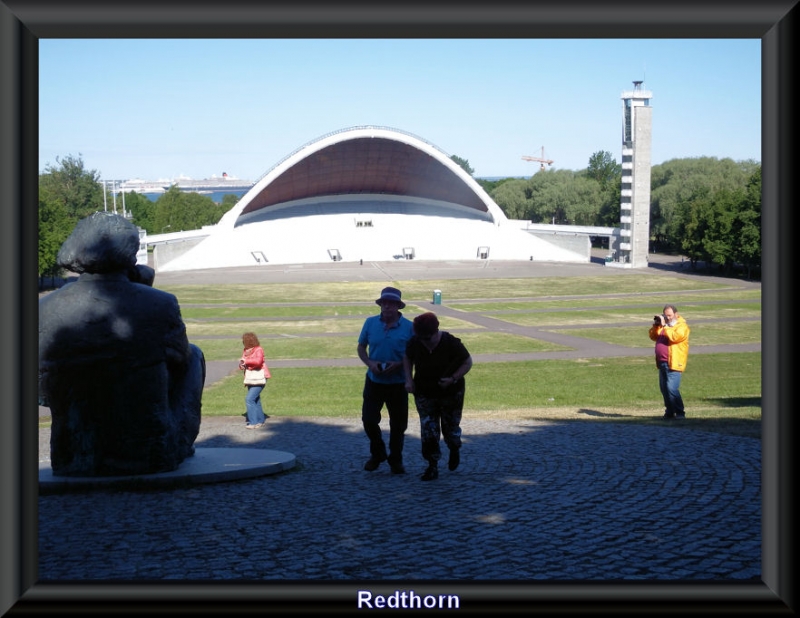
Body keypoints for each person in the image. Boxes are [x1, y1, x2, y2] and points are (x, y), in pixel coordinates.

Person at [403, 312, 473, 481]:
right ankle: (432, 465)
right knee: (428, 430)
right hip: (424, 392)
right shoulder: (415, 342)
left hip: (451, 393)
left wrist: (453, 378)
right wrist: (409, 379)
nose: (425, 342)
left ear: (436, 331)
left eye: (428, 338)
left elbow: (467, 362)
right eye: (421, 338)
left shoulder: (451, 342)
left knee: (450, 429)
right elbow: (407, 357)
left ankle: (454, 447)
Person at [357, 286, 414, 474]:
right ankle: (378, 452)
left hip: (398, 383)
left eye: (391, 303)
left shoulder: (409, 327)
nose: (387, 306)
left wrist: (398, 365)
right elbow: (361, 348)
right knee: (368, 420)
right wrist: (370, 363)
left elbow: (413, 355)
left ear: (398, 306)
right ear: (380, 304)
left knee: (398, 425)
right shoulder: (370, 323)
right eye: (384, 303)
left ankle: (395, 460)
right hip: (374, 380)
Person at [648, 304, 690, 419]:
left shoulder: (682, 326)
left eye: (670, 315)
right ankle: (670, 412)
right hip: (662, 362)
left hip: (674, 362)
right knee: (664, 389)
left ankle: (680, 412)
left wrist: (665, 325)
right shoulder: (664, 326)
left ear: (676, 315)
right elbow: (652, 336)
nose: (668, 318)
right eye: (665, 316)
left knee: (671, 388)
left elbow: (675, 337)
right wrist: (656, 325)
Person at [239, 331, 270, 428]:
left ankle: (253, 422)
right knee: (256, 399)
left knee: (249, 399)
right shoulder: (245, 350)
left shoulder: (258, 350)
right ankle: (260, 420)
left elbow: (258, 362)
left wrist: (246, 361)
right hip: (250, 378)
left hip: (259, 377)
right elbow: (243, 363)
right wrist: (242, 365)